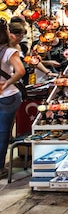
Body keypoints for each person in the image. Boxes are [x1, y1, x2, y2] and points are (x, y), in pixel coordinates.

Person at [0, 19, 26, 178]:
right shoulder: (8, 52)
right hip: (7, 94)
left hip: (6, 95)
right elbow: (21, 71)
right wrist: (8, 82)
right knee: (3, 132)